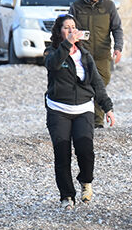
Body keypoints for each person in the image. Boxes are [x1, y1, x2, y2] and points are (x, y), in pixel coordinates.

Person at [43, 14, 114, 207]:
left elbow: (97, 83)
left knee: (85, 150)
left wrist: (108, 107)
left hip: (83, 108)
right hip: (58, 109)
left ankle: (86, 181)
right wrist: (67, 44)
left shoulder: (85, 55)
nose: (71, 30)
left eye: (73, 27)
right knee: (62, 153)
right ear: (59, 32)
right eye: (66, 27)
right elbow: (53, 65)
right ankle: (66, 196)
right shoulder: (51, 51)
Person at [70, 0, 123, 128]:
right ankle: (94, 120)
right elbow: (68, 28)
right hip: (82, 55)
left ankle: (95, 118)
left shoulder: (109, 6)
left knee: (101, 83)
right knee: (83, 85)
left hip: (103, 55)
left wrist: (118, 48)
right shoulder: (76, 6)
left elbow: (117, 29)